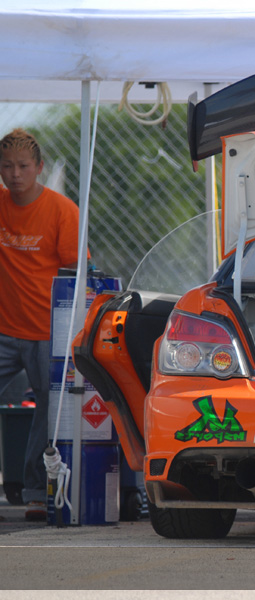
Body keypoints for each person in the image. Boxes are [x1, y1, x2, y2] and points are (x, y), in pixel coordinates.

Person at [0, 128, 81, 521]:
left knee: (49, 410)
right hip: (4, 329)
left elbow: (77, 270)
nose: (15, 174)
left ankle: (36, 491)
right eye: (7, 166)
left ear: (39, 168)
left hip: (47, 331)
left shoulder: (62, 210)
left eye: (23, 166)